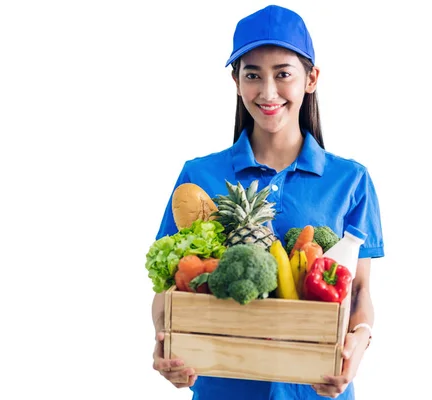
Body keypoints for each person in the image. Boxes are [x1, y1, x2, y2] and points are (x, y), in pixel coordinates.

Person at [151, 5, 384, 399]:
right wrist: (166, 341)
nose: (268, 91)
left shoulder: (351, 180)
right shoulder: (200, 176)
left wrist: (358, 344)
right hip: (223, 387)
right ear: (236, 82)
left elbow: (358, 291)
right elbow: (168, 287)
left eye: (283, 74)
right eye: (253, 75)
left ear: (311, 79)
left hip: (316, 388)